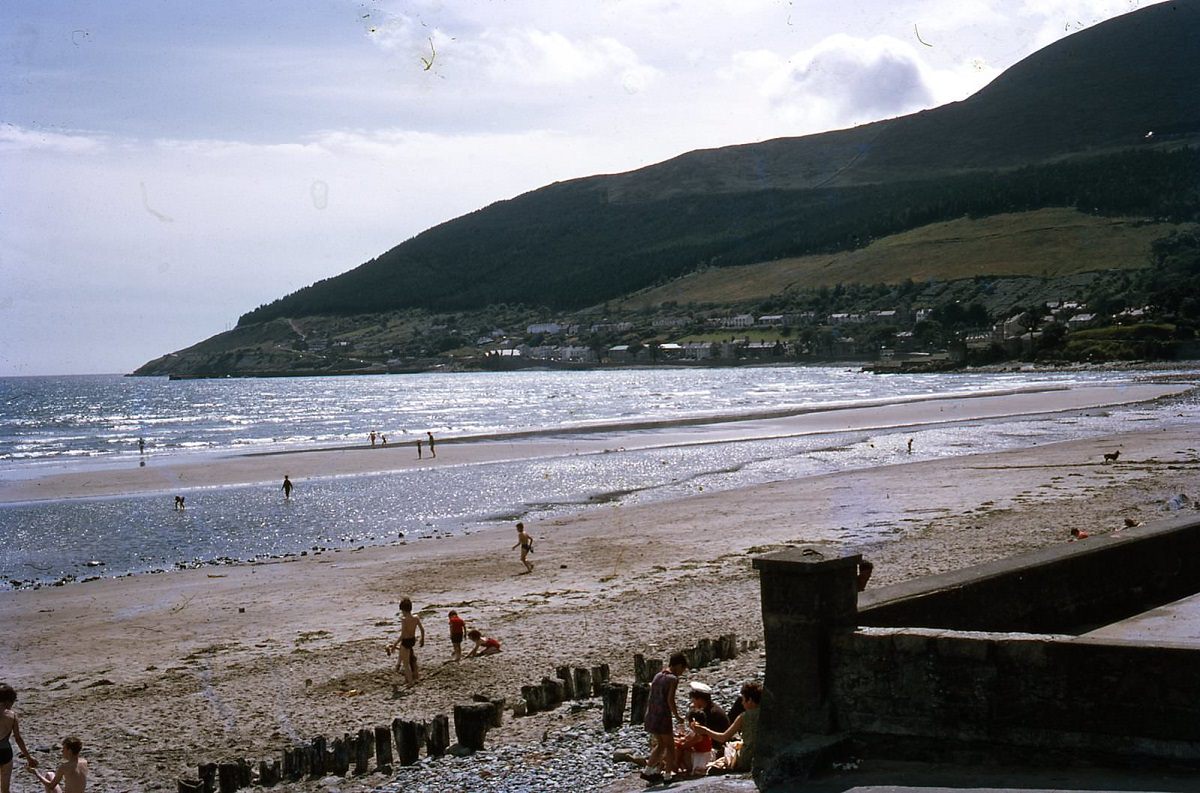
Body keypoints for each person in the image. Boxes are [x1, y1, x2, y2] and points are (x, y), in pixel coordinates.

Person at [692, 681, 761, 774]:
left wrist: (705, 730)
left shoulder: (743, 717)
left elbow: (723, 738)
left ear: (750, 700)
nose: (742, 703)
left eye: (744, 700)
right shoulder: (767, 713)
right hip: (761, 755)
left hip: (747, 757)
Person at [641, 652, 687, 783]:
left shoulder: (657, 675)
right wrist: (677, 716)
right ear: (678, 666)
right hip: (662, 717)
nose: (682, 672)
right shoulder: (673, 679)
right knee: (671, 747)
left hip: (652, 715)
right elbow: (670, 700)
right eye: (682, 669)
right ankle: (668, 775)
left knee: (661, 744)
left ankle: (648, 770)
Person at [1, 684, 37, 793]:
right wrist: (29, 757)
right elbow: (18, 739)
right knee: (5, 789)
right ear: (8, 700)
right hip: (5, 753)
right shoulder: (12, 716)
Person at [386, 598, 425, 685]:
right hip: (412, 640)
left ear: (403, 609)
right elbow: (422, 630)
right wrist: (422, 639)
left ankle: (410, 682)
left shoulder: (404, 619)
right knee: (406, 654)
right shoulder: (416, 617)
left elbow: (403, 634)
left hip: (406, 641)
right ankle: (407, 675)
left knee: (406, 664)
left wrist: (395, 644)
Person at [687, 682, 729, 756]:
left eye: (693, 700)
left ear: (699, 699)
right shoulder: (712, 709)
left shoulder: (710, 713)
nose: (692, 702)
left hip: (717, 747)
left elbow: (701, 735)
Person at [674, 709, 714, 777]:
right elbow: (686, 738)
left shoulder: (699, 735)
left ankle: (675, 767)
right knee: (679, 748)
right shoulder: (700, 731)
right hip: (704, 754)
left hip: (701, 758)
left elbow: (685, 745)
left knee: (679, 750)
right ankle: (676, 767)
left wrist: (675, 742)